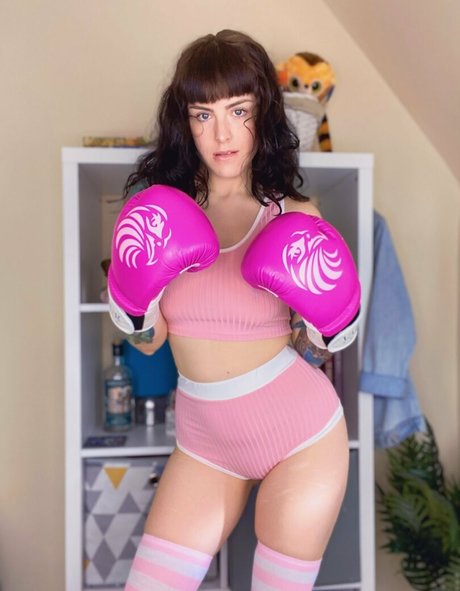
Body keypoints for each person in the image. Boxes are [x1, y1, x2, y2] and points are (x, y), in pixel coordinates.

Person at [108, 29, 360, 591]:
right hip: (204, 442)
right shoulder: (157, 216)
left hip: (300, 436)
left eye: (238, 111)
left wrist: (331, 326)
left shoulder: (293, 214)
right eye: (203, 115)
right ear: (185, 122)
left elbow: (312, 349)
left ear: (262, 114)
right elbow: (150, 342)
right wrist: (132, 304)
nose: (221, 134)